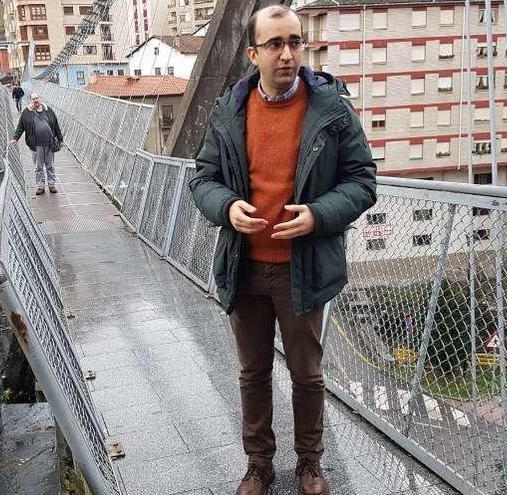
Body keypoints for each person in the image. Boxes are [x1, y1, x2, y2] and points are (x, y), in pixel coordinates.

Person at [189, 5, 376, 495]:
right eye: (275, 44)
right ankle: (258, 464)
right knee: (253, 373)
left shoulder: (332, 110)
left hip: (304, 267)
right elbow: (202, 179)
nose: (288, 53)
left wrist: (318, 215)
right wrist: (227, 208)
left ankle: (311, 464)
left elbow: (361, 182)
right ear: (253, 54)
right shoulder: (229, 109)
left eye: (295, 41)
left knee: (307, 375)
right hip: (245, 265)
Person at [12, 93, 64, 195]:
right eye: (33, 99)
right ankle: (40, 186)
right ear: (30, 100)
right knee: (38, 167)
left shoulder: (48, 110)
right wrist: (15, 138)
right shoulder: (27, 112)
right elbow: (20, 126)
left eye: (37, 98)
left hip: (49, 143)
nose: (35, 100)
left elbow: (56, 125)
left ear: (40, 99)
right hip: (36, 145)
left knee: (50, 165)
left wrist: (60, 140)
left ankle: (51, 185)